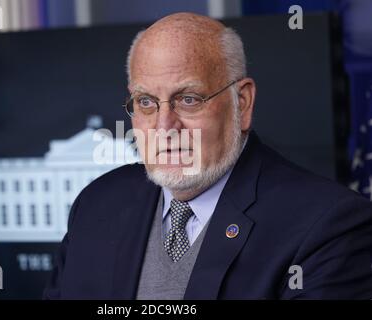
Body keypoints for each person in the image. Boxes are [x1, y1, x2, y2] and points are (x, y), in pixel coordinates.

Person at [44, 12, 372, 299]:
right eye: (145, 102)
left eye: (188, 99)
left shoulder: (328, 227)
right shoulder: (96, 205)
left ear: (241, 103)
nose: (164, 127)